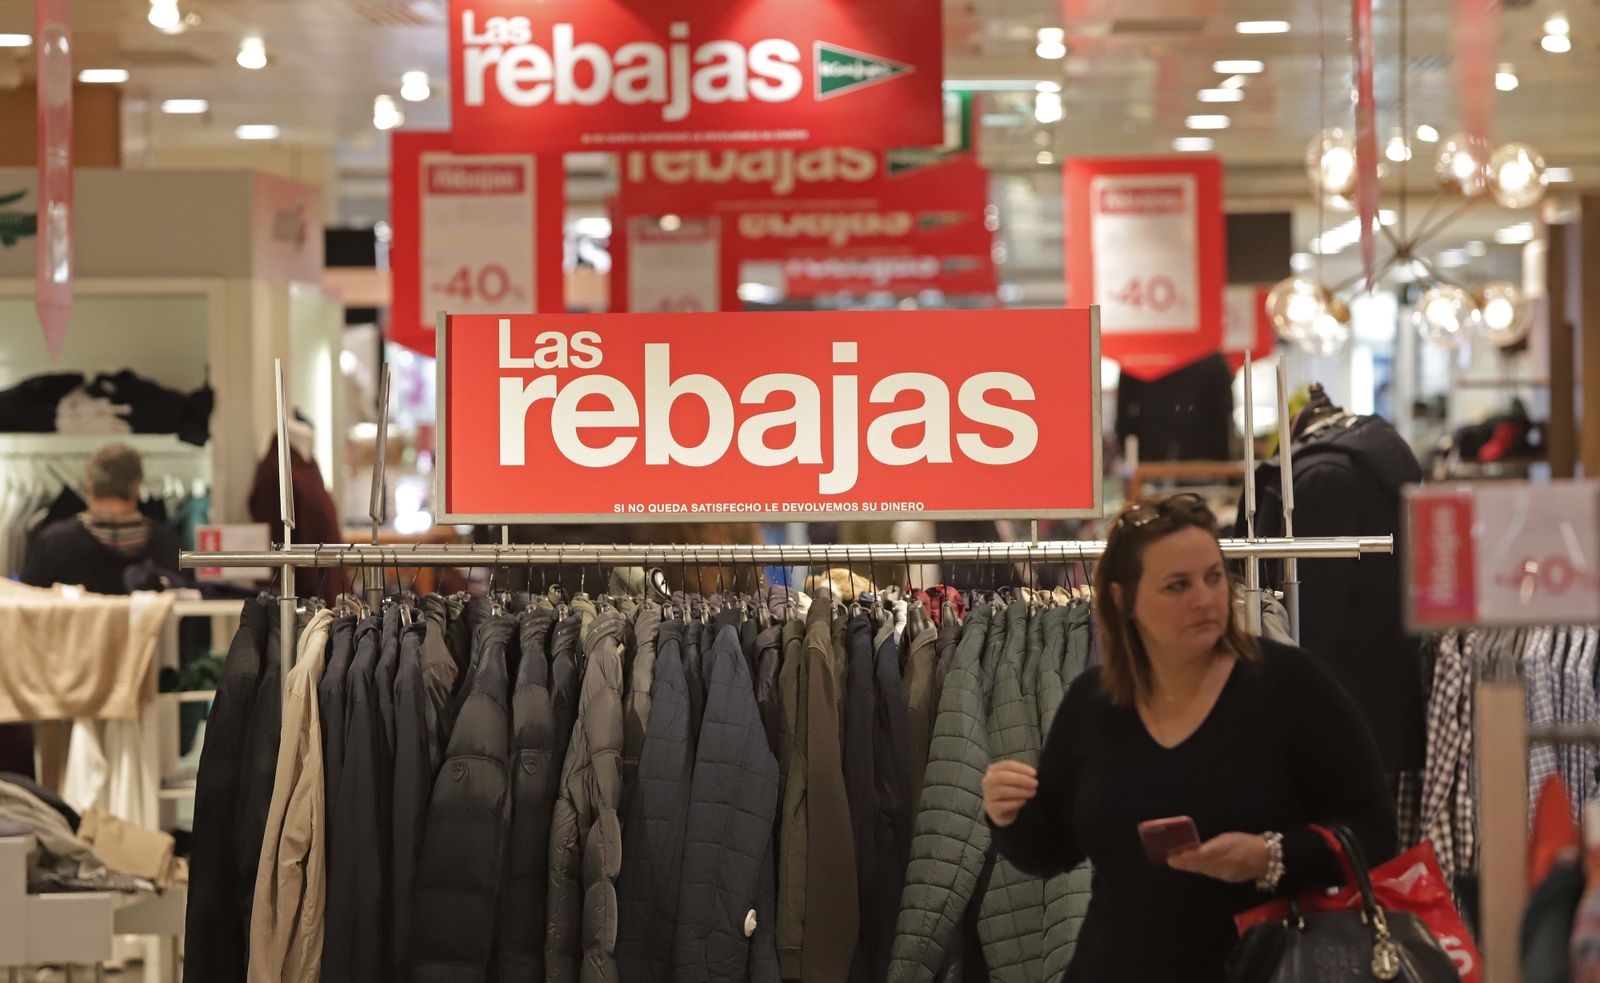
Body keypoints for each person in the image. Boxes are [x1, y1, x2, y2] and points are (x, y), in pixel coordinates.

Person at [982, 492, 1396, 982]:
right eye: (1177, 586)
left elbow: (1376, 837)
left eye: (1214, 577)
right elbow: (1052, 849)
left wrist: (1270, 857)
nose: (1204, 598)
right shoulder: (1095, 703)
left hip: (1267, 964)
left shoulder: (1290, 686)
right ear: (1122, 599)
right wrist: (1006, 815)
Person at [21, 442, 181, 594]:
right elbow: (193, 603)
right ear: (138, 488)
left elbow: (26, 610)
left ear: (88, 485)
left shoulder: (53, 542)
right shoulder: (169, 542)